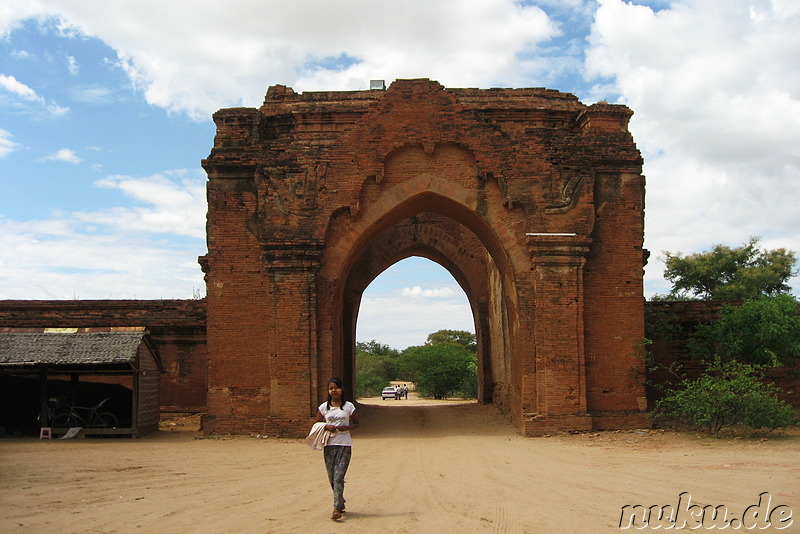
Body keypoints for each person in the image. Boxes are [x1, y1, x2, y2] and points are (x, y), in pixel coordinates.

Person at [315, 377, 359, 520]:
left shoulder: (349, 407)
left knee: (339, 476)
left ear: (342, 389)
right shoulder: (323, 408)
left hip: (344, 445)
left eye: (336, 388)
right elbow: (316, 424)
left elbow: (357, 423)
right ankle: (340, 501)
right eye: (331, 388)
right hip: (329, 445)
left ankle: (335, 508)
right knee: (332, 478)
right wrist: (326, 426)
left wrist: (345, 428)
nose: (334, 390)